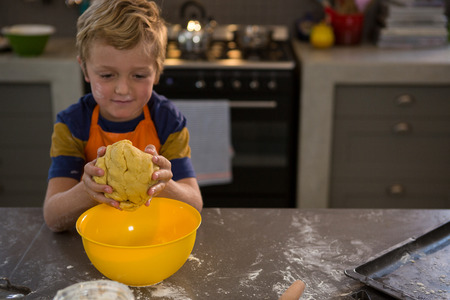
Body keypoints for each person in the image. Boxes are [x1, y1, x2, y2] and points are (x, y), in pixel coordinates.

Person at [43, 0, 203, 232]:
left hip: (150, 236)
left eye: (138, 75)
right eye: (107, 75)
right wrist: (88, 190)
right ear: (85, 69)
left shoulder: (167, 120)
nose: (123, 89)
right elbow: (53, 216)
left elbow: (195, 204)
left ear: (157, 71)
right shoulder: (72, 124)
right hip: (96, 239)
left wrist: (163, 183)